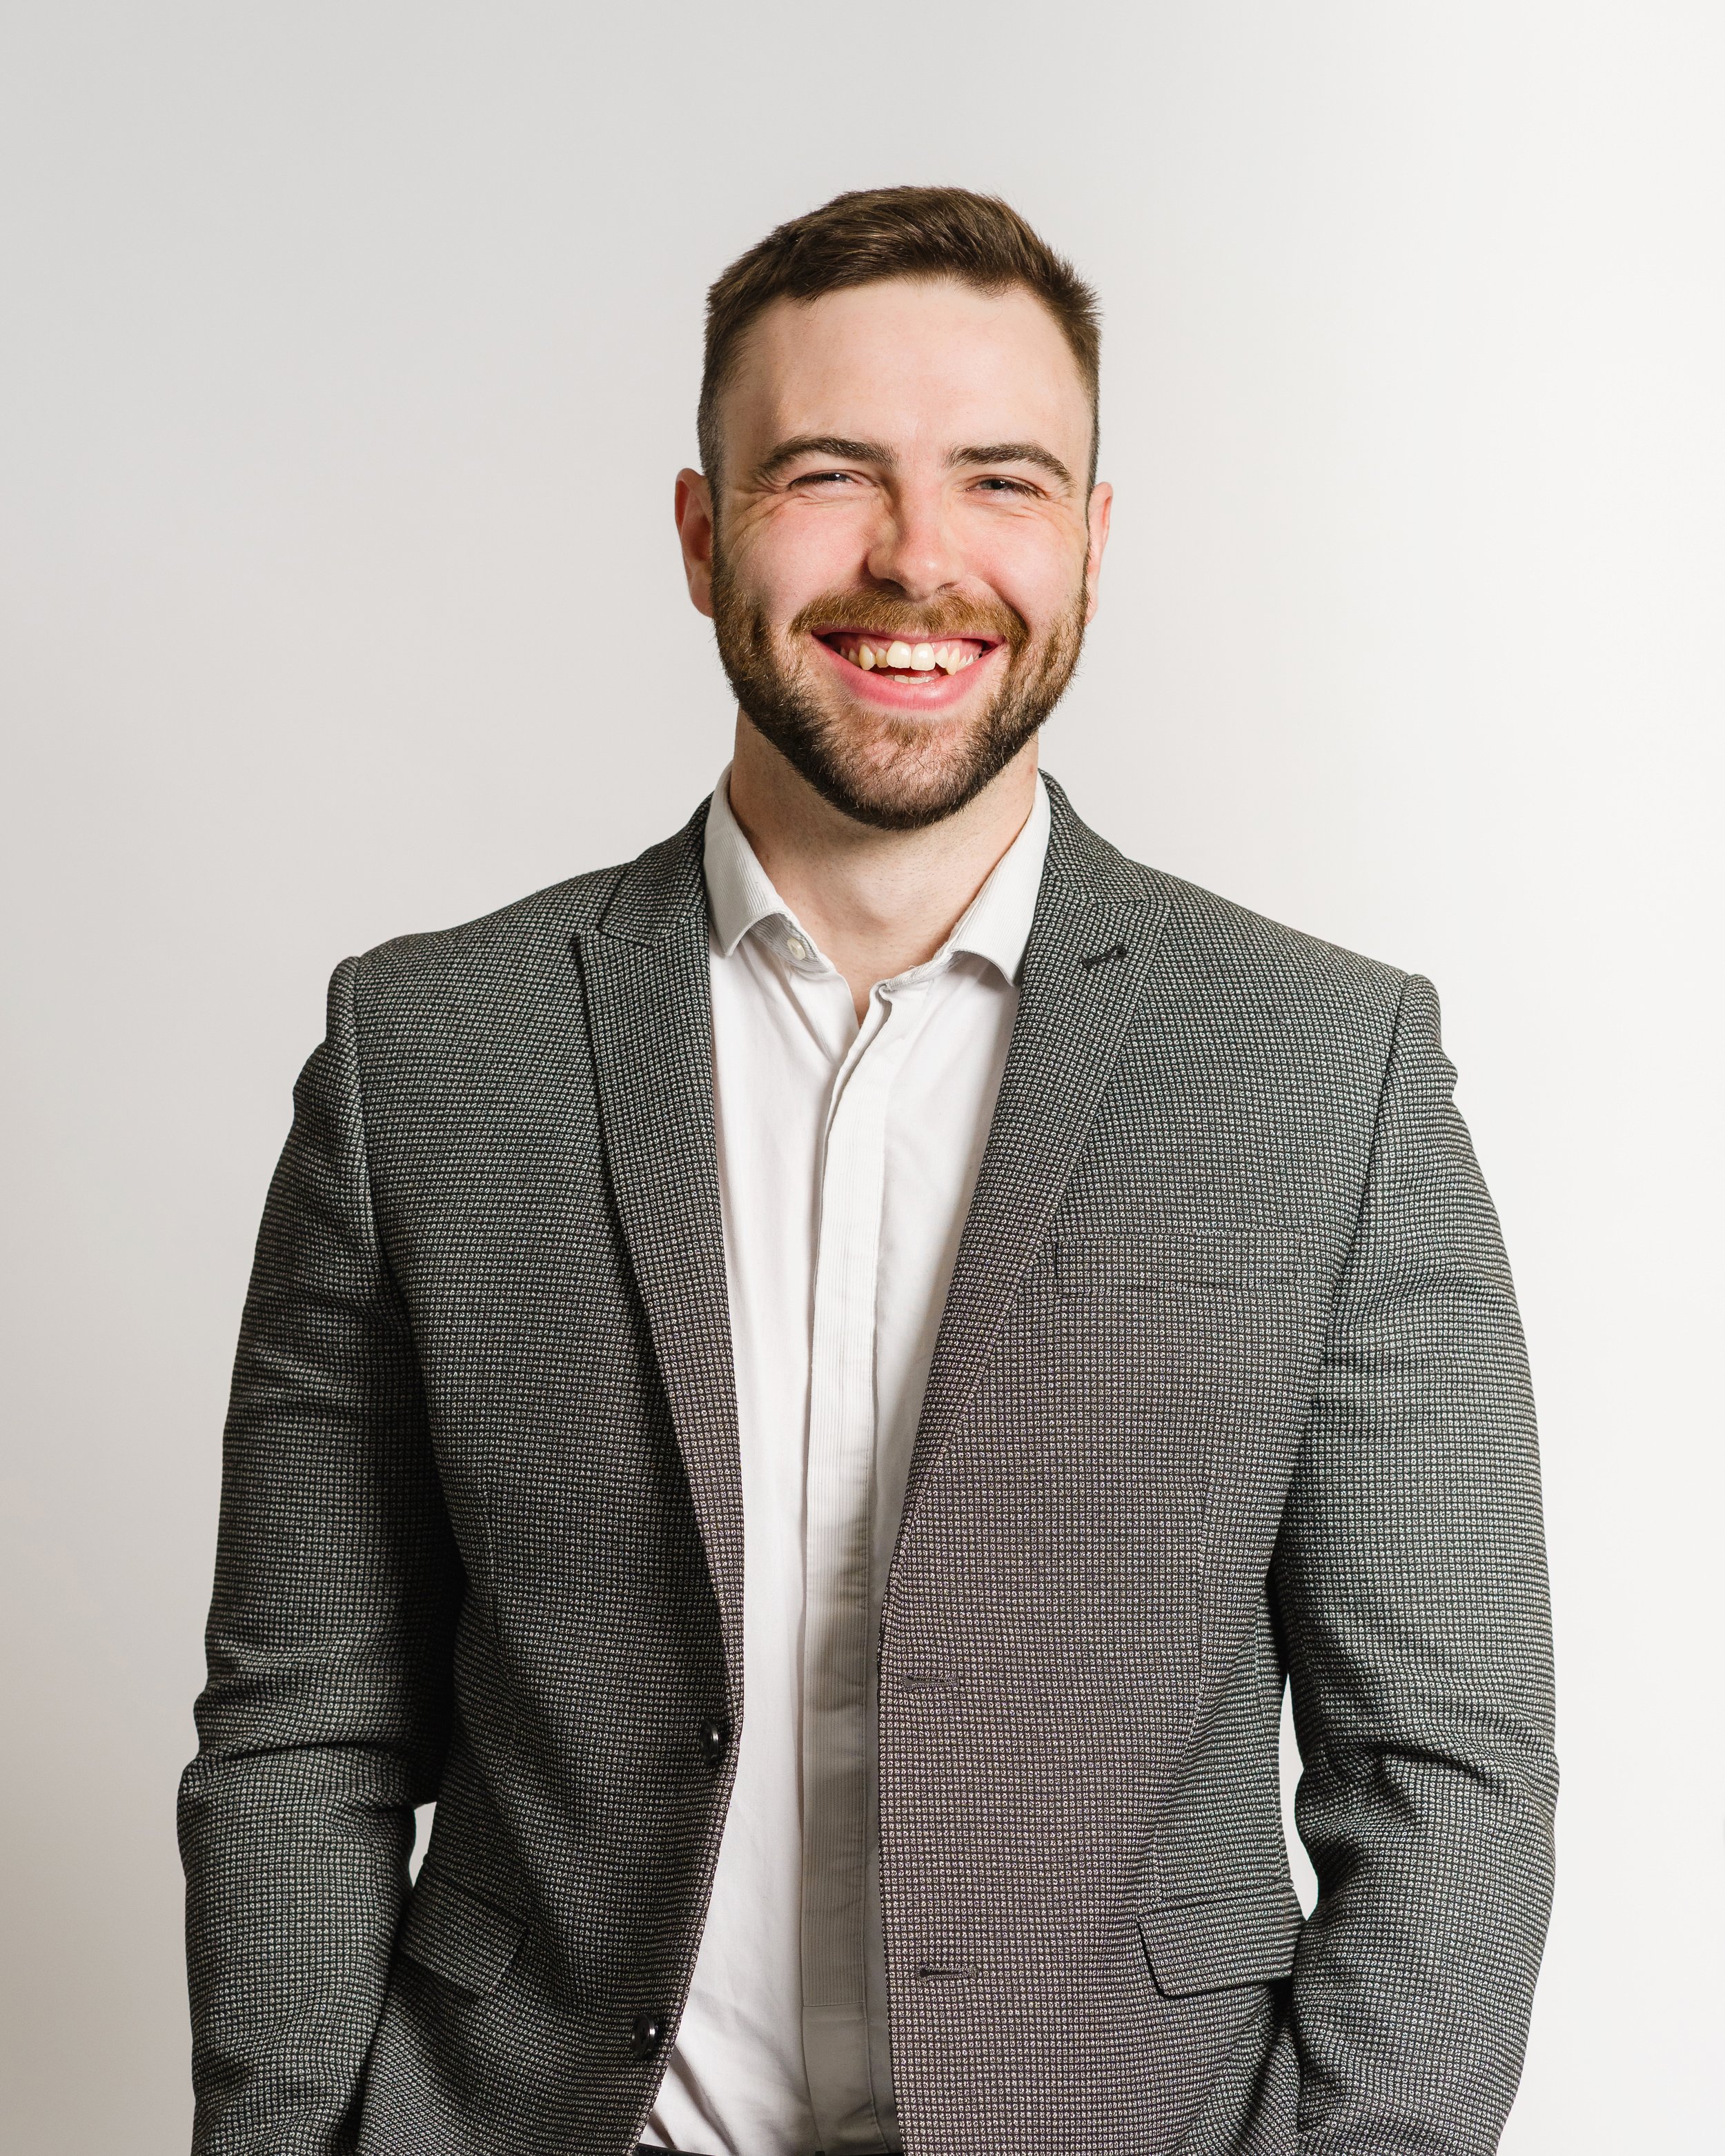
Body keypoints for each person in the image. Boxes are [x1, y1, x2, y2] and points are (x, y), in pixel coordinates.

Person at [179, 186, 1557, 2156]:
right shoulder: (428, 1058)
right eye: (829, 473)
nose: (918, 556)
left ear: (1092, 543)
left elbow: (1448, 1780)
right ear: (699, 534)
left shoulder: (1326, 1074)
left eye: (1002, 479)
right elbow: (301, 1732)